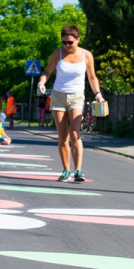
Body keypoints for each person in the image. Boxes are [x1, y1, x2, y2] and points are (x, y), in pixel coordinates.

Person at [37, 24, 104, 182]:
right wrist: (41, 82)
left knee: (75, 133)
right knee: (62, 136)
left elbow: (92, 77)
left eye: (70, 42)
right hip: (58, 96)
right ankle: (66, 170)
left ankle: (78, 170)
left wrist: (98, 94)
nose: (67, 45)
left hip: (77, 96)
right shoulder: (57, 54)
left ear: (78, 40)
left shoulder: (86, 55)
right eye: (64, 42)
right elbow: (47, 72)